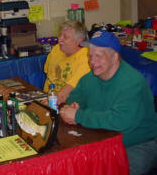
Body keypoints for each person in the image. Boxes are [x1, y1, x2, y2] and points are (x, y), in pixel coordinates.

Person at [60, 30, 157, 175]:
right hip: (103, 139)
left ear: (114, 57)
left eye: (99, 56)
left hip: (137, 145)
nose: (92, 62)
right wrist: (76, 105)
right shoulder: (91, 77)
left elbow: (119, 121)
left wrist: (79, 116)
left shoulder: (132, 83)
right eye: (90, 56)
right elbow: (78, 94)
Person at [43, 20, 90, 104]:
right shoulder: (57, 49)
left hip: (68, 103)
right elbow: (47, 73)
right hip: (47, 97)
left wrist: (49, 102)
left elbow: (68, 90)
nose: (60, 39)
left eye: (65, 37)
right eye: (60, 35)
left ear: (79, 41)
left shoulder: (86, 57)